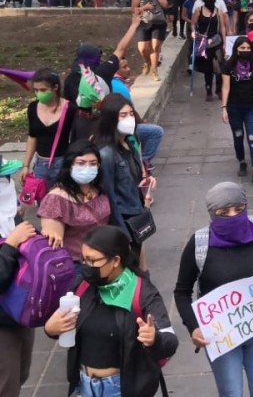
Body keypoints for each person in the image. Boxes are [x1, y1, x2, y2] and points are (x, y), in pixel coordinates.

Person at [174, 182, 253, 397]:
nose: (233, 216)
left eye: (239, 209)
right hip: (221, 339)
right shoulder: (199, 244)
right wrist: (193, 327)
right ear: (212, 214)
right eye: (223, 212)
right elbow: (181, 292)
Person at [44, 226, 178, 397]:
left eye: (92, 261)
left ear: (115, 260)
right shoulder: (82, 287)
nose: (86, 266)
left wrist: (154, 339)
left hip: (121, 389)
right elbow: (62, 328)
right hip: (84, 386)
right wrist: (51, 328)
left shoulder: (142, 293)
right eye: (83, 260)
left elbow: (170, 342)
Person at [94, 94, 153, 266]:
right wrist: (122, 235)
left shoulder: (129, 145)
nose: (130, 119)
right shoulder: (106, 154)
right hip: (123, 222)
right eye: (123, 115)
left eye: (131, 114)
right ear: (111, 119)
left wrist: (146, 186)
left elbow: (131, 181)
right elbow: (109, 197)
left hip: (136, 215)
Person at [63, 15, 140, 141]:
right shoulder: (102, 72)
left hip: (81, 127)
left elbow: (68, 108)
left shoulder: (69, 80)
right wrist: (134, 25)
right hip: (104, 124)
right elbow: (120, 49)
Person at [37, 140, 111, 268]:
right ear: (69, 165)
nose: (87, 168)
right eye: (81, 163)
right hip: (77, 265)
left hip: (104, 259)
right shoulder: (56, 199)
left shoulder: (98, 189)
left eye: (92, 163)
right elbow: (54, 243)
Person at [20, 68, 76, 191]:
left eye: (43, 90)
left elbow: (76, 137)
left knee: (60, 201)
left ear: (55, 87)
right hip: (40, 164)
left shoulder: (70, 109)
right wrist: (26, 165)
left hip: (61, 163)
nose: (39, 93)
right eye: (36, 90)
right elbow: (32, 136)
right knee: (42, 201)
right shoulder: (33, 107)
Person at [221, 36, 253, 183]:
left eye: (248, 48)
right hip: (234, 107)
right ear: (236, 49)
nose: (246, 51)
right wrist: (224, 107)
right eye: (242, 48)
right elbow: (226, 87)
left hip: (252, 106)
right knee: (238, 135)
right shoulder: (228, 65)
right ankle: (241, 161)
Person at [0, 221, 38, 397]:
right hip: (3, 326)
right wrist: (10, 246)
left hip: (19, 313)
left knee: (20, 376)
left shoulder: (7, 212)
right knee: (7, 386)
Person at [111, 56, 164, 170]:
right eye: (124, 67)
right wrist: (139, 121)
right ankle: (143, 162)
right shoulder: (118, 87)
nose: (129, 69)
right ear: (115, 70)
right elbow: (130, 109)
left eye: (127, 66)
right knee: (156, 132)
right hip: (122, 128)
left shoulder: (116, 82)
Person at [133, 0, 170, 81]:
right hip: (144, 22)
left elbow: (165, 5)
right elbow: (134, 10)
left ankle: (154, 71)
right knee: (143, 49)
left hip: (158, 22)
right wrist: (145, 7)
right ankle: (147, 62)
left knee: (155, 47)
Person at [192, 0, 227, 102]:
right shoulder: (198, 10)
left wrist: (225, 43)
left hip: (216, 41)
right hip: (203, 42)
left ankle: (218, 89)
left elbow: (222, 27)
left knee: (219, 67)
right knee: (207, 68)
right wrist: (193, 32)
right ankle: (208, 90)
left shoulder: (218, 11)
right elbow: (193, 23)